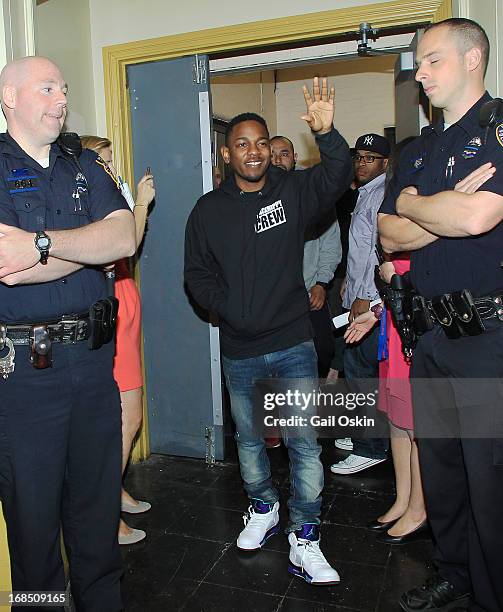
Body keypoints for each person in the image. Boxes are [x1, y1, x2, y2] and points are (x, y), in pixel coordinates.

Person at [185, 77, 352, 584]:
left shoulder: (292, 193)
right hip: (239, 349)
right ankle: (263, 509)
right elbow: (196, 274)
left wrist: (327, 135)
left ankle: (306, 536)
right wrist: (229, 308)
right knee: (252, 442)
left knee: (303, 443)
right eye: (242, 144)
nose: (254, 152)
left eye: (261, 142)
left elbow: (337, 177)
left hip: (292, 343)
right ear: (226, 154)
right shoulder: (207, 211)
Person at [0, 57, 135, 610]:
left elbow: (123, 238)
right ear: (9, 96)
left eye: (65, 88)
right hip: (26, 380)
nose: (62, 99)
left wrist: (38, 244)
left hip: (93, 367)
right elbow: (5, 264)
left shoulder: (83, 165)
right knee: (33, 533)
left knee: (97, 519)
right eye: (48, 87)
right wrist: (83, 245)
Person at [378, 18, 503, 612]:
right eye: (417, 64)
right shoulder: (417, 149)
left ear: (473, 57)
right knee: (445, 475)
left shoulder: (498, 128)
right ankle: (454, 572)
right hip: (426, 337)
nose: (419, 74)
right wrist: (438, 207)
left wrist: (415, 205)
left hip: (486, 338)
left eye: (431, 61)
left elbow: (479, 220)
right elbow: (388, 234)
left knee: (490, 482)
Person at [80, 136, 155, 546]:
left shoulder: (104, 193)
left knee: (126, 420)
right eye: (104, 161)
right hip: (113, 310)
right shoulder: (91, 196)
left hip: (124, 306)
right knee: (126, 422)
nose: (111, 168)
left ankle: (117, 492)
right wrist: (140, 204)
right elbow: (127, 242)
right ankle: (106, 517)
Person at [331, 134, 390, 475]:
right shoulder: (365, 193)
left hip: (369, 300)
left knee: (360, 371)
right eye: (359, 157)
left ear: (385, 163)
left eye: (370, 158)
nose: (362, 163)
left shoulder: (380, 194)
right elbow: (358, 252)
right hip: (357, 293)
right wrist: (349, 288)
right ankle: (363, 435)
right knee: (358, 369)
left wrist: (365, 296)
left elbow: (376, 253)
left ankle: (370, 446)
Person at [270, 135, 342, 379]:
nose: (277, 160)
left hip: (309, 294)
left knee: (322, 352)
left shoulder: (312, 191)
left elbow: (331, 244)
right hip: (271, 301)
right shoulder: (253, 193)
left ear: (295, 158)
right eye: (271, 154)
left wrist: (321, 283)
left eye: (284, 154)